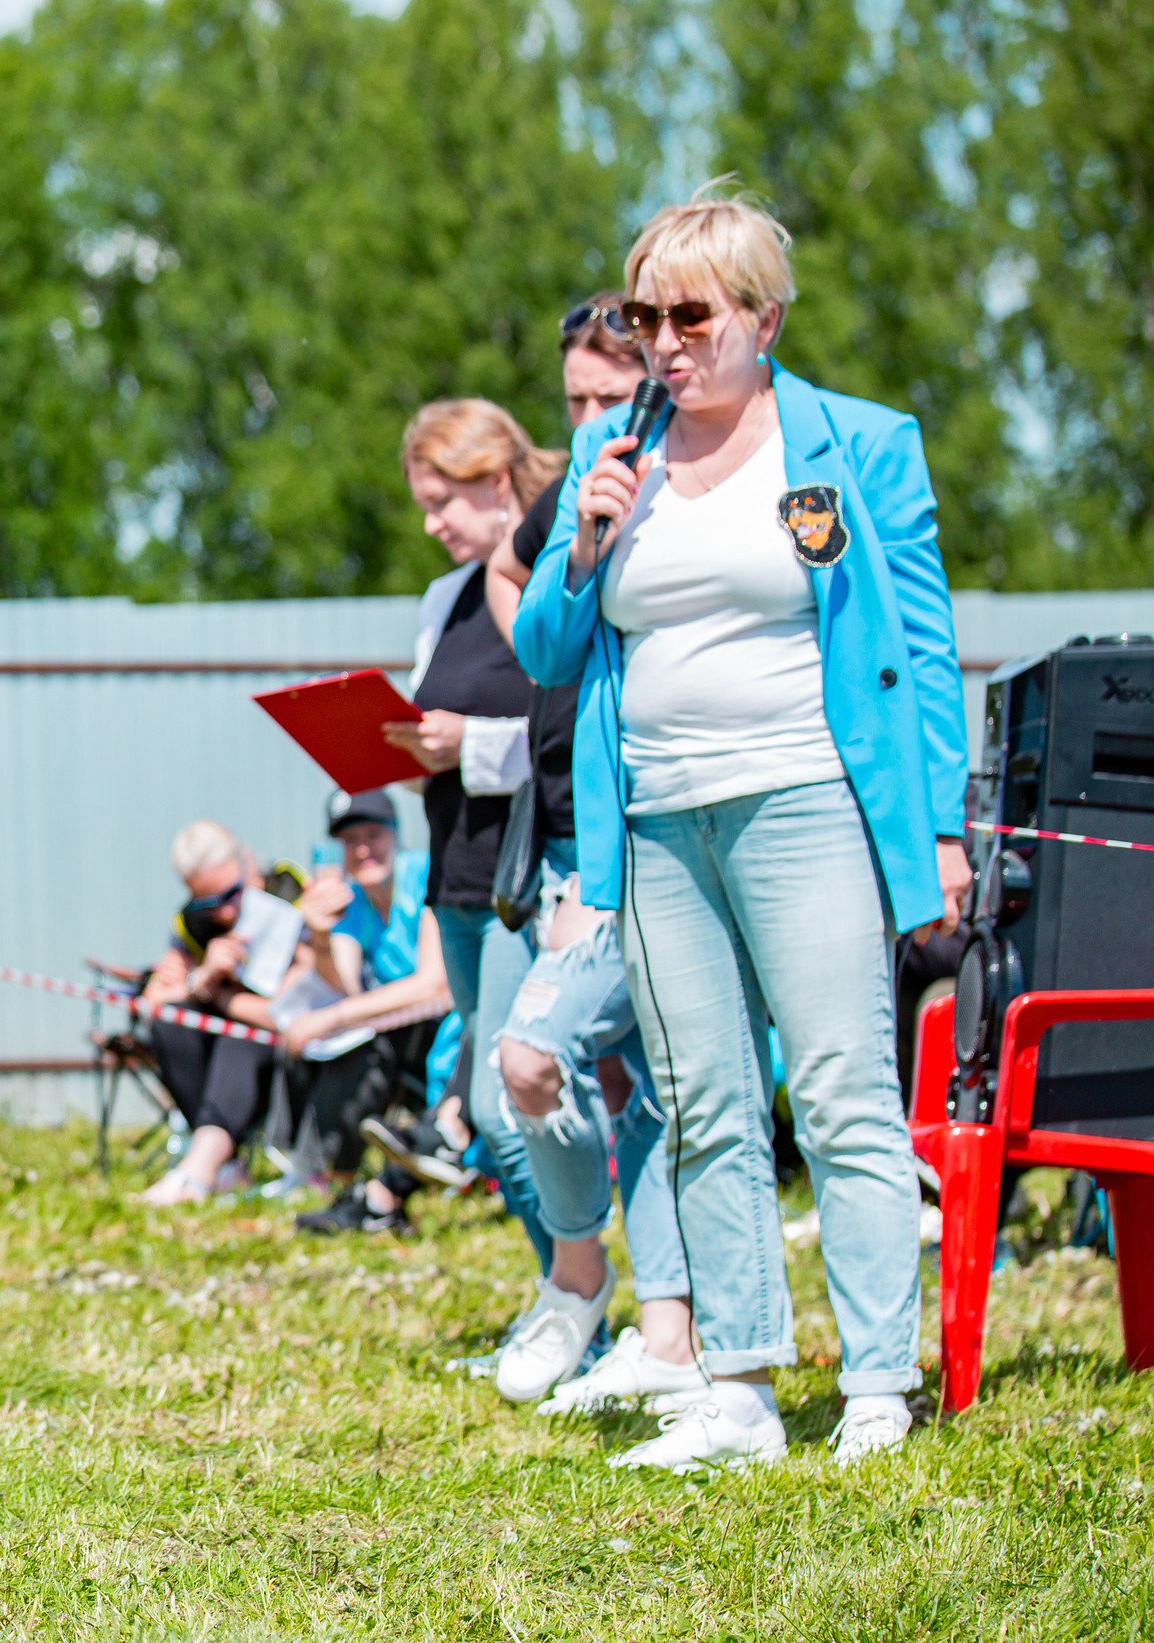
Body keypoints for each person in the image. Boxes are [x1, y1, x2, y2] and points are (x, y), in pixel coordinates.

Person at [514, 182, 972, 1472]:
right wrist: (587, 541)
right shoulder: (613, 458)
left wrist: (935, 823)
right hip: (657, 823)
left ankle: (880, 1381)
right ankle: (743, 1393)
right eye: (644, 315)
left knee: (838, 1095)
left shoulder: (859, 445)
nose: (664, 342)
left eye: (691, 315)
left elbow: (923, 651)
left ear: (761, 318)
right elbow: (549, 650)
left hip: (809, 803)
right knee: (702, 1102)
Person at [476, 295, 698, 1410]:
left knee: (658, 1090)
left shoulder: (693, 477)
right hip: (569, 838)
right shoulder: (585, 479)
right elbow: (536, 620)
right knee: (527, 1067)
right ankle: (587, 1283)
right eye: (572, 400)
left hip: (661, 831)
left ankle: (663, 1328)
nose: (588, 417)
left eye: (607, 396)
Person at [378, 400, 565, 1267]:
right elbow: (434, 716)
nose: (430, 522)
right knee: (500, 1111)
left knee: (501, 1107)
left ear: (496, 483)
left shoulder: (546, 578)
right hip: (452, 874)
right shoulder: (443, 596)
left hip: (522, 881)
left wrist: (472, 744)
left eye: (442, 499)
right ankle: (562, 1296)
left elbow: (568, 724)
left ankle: (580, 1292)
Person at [282, 791, 452, 1235]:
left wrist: (332, 1018)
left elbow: (434, 983)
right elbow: (347, 985)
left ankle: (365, 1186)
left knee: (353, 1041)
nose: (362, 849)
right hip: (402, 1033)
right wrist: (319, 936)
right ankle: (344, 1181)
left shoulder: (429, 875)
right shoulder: (355, 903)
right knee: (349, 1053)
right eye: (350, 839)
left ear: (396, 834)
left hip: (453, 1029)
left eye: (373, 834)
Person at [136, 822, 308, 1205]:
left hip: (288, 1051)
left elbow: (287, 1012)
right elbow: (155, 1002)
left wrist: (224, 999)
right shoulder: (192, 923)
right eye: (209, 903)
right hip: (223, 1055)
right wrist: (206, 976)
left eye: (233, 894)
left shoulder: (293, 892)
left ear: (248, 862)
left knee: (240, 1033)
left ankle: (198, 1172)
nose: (226, 912)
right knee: (172, 1021)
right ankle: (220, 1163)